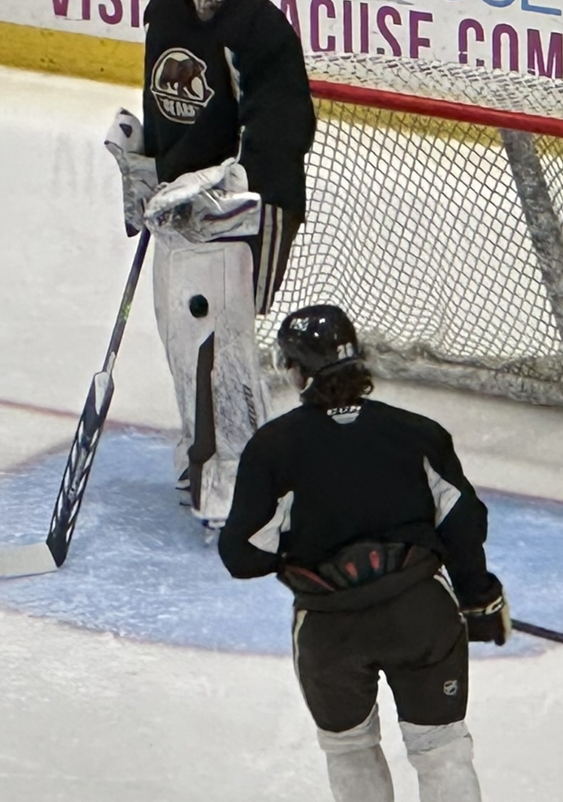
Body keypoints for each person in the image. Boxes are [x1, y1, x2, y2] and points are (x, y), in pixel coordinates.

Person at [218, 304, 511, 802]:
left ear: (296, 372)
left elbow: (243, 553)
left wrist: (295, 552)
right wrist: (478, 599)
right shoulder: (418, 433)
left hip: (331, 629)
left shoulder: (273, 448)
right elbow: (463, 521)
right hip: (420, 613)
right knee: (441, 747)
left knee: (349, 747)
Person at [103, 0, 317, 528]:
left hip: (245, 207)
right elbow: (163, 103)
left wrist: (227, 183)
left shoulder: (260, 29)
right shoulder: (166, 10)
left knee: (223, 341)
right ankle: (203, 456)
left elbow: (284, 126)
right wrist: (145, 165)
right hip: (175, 206)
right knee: (180, 337)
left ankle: (250, 479)